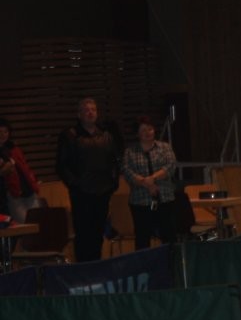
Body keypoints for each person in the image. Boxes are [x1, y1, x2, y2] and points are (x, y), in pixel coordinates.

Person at [55, 97, 122, 262]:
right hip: (81, 194)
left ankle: (96, 267)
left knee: (98, 233)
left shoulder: (106, 135)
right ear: (79, 114)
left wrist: (113, 183)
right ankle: (83, 269)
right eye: (86, 110)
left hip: (103, 191)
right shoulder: (70, 135)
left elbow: (115, 161)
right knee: (83, 234)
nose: (90, 113)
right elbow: (61, 166)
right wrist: (75, 185)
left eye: (93, 109)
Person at [121, 116, 178, 249]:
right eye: (143, 130)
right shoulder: (130, 152)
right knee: (142, 238)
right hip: (140, 202)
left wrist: (152, 178)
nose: (147, 132)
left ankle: (170, 261)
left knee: (169, 237)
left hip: (165, 199)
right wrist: (146, 183)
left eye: (150, 129)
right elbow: (127, 172)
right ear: (137, 134)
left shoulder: (165, 147)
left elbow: (170, 166)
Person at [0, 118, 43, 222]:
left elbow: (25, 167)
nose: (3, 135)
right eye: (0, 132)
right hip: (13, 194)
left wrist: (34, 181)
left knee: (37, 222)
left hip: (28, 190)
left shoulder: (14, 148)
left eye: (5, 132)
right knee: (23, 224)